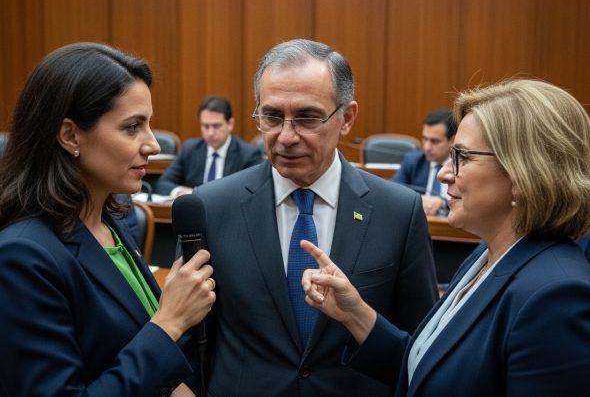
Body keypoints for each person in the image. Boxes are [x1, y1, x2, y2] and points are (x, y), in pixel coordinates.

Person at [302, 79, 590, 396]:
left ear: (523, 173)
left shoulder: (555, 297)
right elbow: (427, 369)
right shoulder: (486, 257)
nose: (443, 173)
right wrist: (354, 313)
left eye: (463, 157)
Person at [194, 39, 438, 396]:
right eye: (272, 116)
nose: (287, 136)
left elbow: (420, 347)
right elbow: (193, 339)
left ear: (347, 118)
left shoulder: (397, 212)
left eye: (307, 117)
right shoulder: (213, 206)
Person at [0, 43, 216, 396]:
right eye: (132, 127)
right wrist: (170, 322)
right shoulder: (21, 256)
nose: (151, 144)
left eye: (149, 125)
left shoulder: (111, 222)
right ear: (70, 135)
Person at [155, 95, 262, 196]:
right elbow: (163, 183)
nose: (210, 132)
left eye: (216, 126)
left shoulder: (248, 154)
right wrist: (181, 192)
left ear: (230, 124)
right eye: (206, 126)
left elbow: (253, 191)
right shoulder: (190, 149)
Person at [392, 109, 457, 216]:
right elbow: (393, 192)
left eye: (435, 141)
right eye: (425, 139)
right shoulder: (413, 161)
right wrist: (417, 200)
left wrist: (443, 203)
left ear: (452, 140)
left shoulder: (463, 166)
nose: (427, 147)